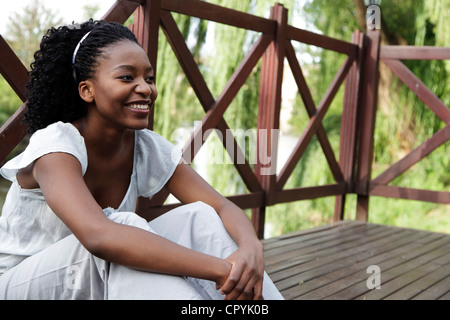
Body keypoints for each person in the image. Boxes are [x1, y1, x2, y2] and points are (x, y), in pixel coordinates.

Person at [0, 20, 283, 300]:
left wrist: (250, 247)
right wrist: (221, 270)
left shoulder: (144, 145)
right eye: (127, 77)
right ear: (87, 90)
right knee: (122, 229)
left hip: (92, 281)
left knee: (200, 217)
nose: (146, 89)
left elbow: (220, 206)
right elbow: (99, 236)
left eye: (149, 78)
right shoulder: (56, 146)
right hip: (20, 284)